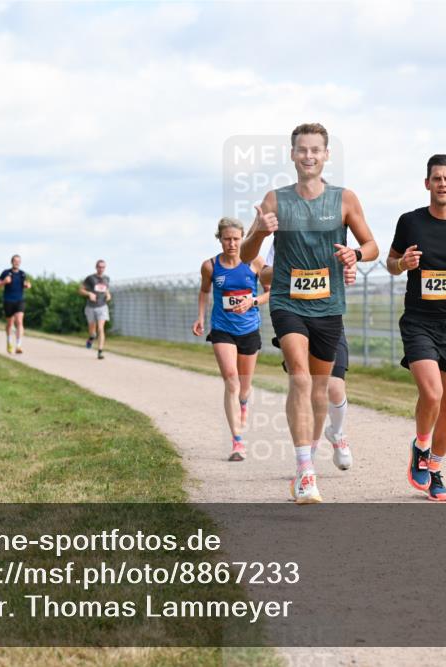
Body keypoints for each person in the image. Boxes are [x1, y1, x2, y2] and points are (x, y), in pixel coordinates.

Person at [240, 123, 377, 504]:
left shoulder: (344, 199)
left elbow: (371, 245)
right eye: (302, 150)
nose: (309, 156)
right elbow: (248, 255)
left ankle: (311, 456)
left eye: (316, 150)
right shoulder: (275, 199)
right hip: (287, 301)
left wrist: (355, 254)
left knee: (319, 387)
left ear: (326, 155)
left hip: (329, 305)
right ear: (292, 155)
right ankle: (305, 471)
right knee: (299, 378)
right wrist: (260, 231)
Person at [386, 154, 446, 502]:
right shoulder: (410, 222)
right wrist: (402, 263)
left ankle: (435, 469)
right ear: (427, 183)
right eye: (437, 178)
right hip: (419, 322)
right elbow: (390, 263)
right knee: (432, 394)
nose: (442, 184)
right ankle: (422, 448)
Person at [262, 245, 354, 471]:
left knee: (334, 388)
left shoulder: (330, 237)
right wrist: (289, 268)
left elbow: (350, 264)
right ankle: (307, 456)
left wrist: (349, 269)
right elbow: (265, 276)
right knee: (304, 385)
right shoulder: (283, 240)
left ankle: (336, 432)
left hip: (328, 320)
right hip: (295, 318)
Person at [192, 218, 270, 461]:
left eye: (236, 239)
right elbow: (204, 291)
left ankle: (243, 403)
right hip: (222, 328)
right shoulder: (210, 266)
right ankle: (237, 442)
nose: (232, 244)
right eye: (227, 239)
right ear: (220, 239)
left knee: (244, 388)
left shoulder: (255, 262)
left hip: (249, 329)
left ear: (242, 238)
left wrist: (252, 301)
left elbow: (270, 292)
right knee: (231, 381)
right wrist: (200, 317)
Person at [0, 255, 32, 354]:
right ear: (12, 262)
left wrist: (27, 285)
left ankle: (18, 346)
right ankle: (9, 342)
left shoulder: (22, 274)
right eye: (15, 261)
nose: (17, 263)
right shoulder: (5, 272)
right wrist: (4, 281)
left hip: (19, 300)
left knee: (19, 321)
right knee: (10, 323)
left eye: (18, 261)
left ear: (20, 263)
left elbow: (25, 284)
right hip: (8, 300)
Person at [80, 259, 111, 360]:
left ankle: (100, 352)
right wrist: (89, 293)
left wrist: (108, 295)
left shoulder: (107, 278)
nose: (101, 269)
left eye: (103, 267)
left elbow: (106, 290)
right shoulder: (90, 278)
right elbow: (80, 290)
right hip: (91, 307)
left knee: (101, 328)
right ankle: (91, 338)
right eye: (99, 267)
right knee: (93, 332)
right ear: (96, 267)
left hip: (102, 307)